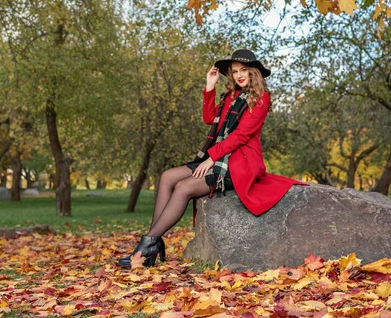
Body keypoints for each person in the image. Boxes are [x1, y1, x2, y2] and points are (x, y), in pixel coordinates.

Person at [117, 49, 308, 269]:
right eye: (235, 71)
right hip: (219, 157)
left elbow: (242, 135)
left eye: (244, 70)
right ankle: (153, 241)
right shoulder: (231, 96)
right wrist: (210, 86)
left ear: (253, 71)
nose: (238, 75)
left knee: (183, 188)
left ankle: (146, 248)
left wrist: (211, 158)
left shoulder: (261, 97)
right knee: (167, 176)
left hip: (240, 163)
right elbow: (210, 118)